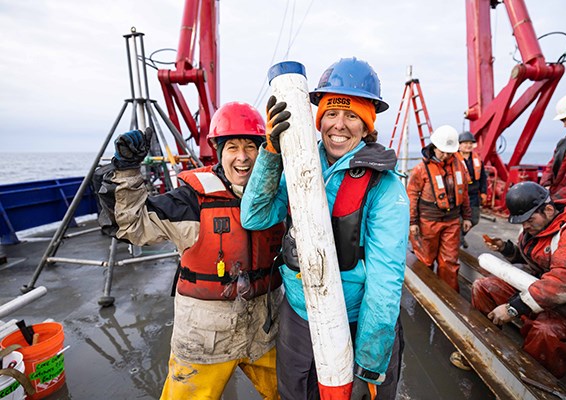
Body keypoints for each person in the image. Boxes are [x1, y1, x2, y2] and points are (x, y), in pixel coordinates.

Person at [240, 57, 409, 400]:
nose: (339, 125)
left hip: (358, 321)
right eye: (331, 113)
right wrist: (271, 152)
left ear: (366, 124)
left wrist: (370, 366)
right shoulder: (297, 163)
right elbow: (254, 216)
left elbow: (385, 282)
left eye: (352, 115)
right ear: (318, 119)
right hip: (299, 317)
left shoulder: (385, 186)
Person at [97, 102, 285, 400]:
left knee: (291, 393)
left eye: (251, 146)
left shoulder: (280, 193)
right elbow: (133, 226)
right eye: (232, 147)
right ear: (218, 151)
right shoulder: (190, 200)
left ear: (263, 150)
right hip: (204, 341)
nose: (242, 157)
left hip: (265, 332)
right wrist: (127, 171)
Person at [470, 181, 566, 378]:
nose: (525, 226)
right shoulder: (537, 227)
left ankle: (537, 382)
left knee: (543, 332)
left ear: (548, 209)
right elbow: (536, 259)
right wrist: (507, 249)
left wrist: (513, 308)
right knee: (484, 287)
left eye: (528, 220)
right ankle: (483, 346)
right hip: (544, 291)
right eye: (522, 222)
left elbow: (564, 283)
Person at [407, 125, 472, 292]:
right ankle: (425, 295)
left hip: (452, 222)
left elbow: (463, 191)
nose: (445, 155)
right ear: (434, 146)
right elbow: (412, 195)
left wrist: (467, 216)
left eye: (449, 152)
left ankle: (449, 298)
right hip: (427, 223)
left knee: (449, 263)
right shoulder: (421, 169)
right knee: (425, 261)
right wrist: (412, 222)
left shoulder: (459, 166)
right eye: (442, 151)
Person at [457, 131, 487, 248]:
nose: (468, 146)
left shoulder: (477, 159)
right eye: (465, 143)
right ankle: (458, 239)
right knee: (458, 220)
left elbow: (483, 177)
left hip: (473, 195)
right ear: (459, 145)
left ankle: (461, 236)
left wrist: (484, 192)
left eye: (470, 143)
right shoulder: (454, 160)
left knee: (474, 219)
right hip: (458, 194)